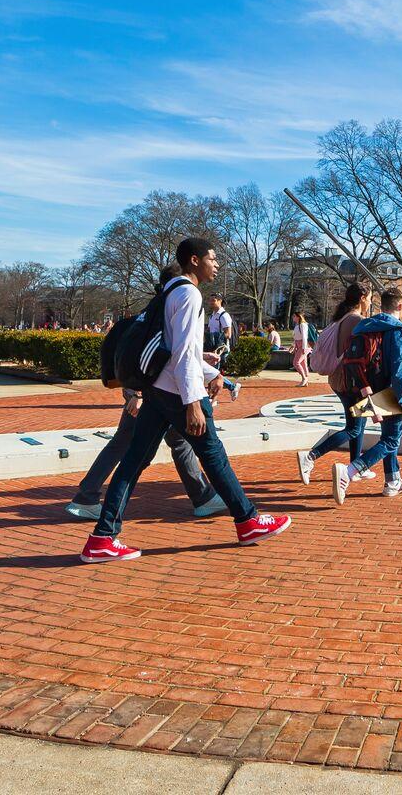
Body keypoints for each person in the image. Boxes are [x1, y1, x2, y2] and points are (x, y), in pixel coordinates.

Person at [79, 237, 289, 562]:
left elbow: (179, 350)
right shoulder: (189, 294)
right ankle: (247, 521)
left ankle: (102, 538)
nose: (216, 264)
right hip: (178, 392)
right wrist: (194, 400)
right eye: (212, 258)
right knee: (214, 455)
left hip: (158, 390)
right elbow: (184, 354)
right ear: (194, 260)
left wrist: (210, 376)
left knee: (134, 460)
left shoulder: (168, 294)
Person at [65, 386, 225, 521]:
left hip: (153, 392)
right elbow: (145, 354)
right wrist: (138, 393)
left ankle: (203, 497)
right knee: (126, 445)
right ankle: (87, 498)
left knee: (178, 441)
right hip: (151, 393)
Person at [333, 287, 402, 502]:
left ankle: (393, 481)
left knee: (388, 436)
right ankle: (351, 471)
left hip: (367, 389)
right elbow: (400, 372)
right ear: (400, 306)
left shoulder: (365, 326)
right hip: (390, 392)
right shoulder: (398, 331)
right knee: (391, 440)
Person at [297, 283, 380, 484]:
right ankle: (310, 457)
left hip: (339, 378)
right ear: (362, 297)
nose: (370, 302)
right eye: (369, 298)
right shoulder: (356, 320)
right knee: (353, 428)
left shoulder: (342, 318)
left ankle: (356, 466)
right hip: (350, 380)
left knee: (357, 424)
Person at [290, 313, 312, 386]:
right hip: (299, 345)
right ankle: (306, 380)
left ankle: (304, 378)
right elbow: (296, 337)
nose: (293, 318)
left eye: (294, 316)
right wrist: (293, 346)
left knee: (296, 362)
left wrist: (304, 348)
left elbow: (304, 337)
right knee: (303, 363)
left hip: (304, 346)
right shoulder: (297, 325)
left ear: (298, 317)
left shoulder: (303, 325)